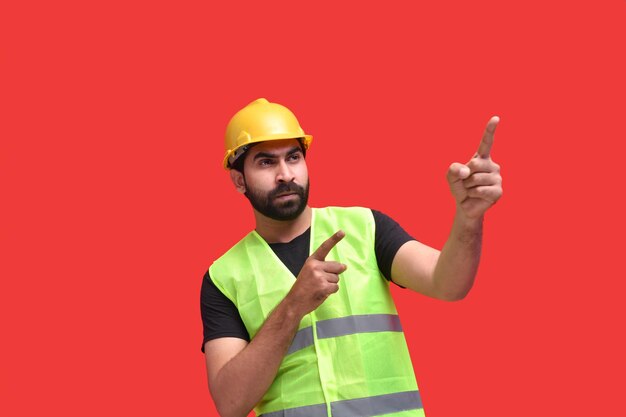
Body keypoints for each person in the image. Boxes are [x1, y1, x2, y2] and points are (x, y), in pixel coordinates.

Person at [201, 98, 503, 417]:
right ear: (238, 180)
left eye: (294, 157)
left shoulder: (366, 227)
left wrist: (468, 218)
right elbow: (231, 404)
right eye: (266, 162)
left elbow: (448, 284)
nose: (285, 174)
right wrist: (293, 306)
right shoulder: (223, 277)